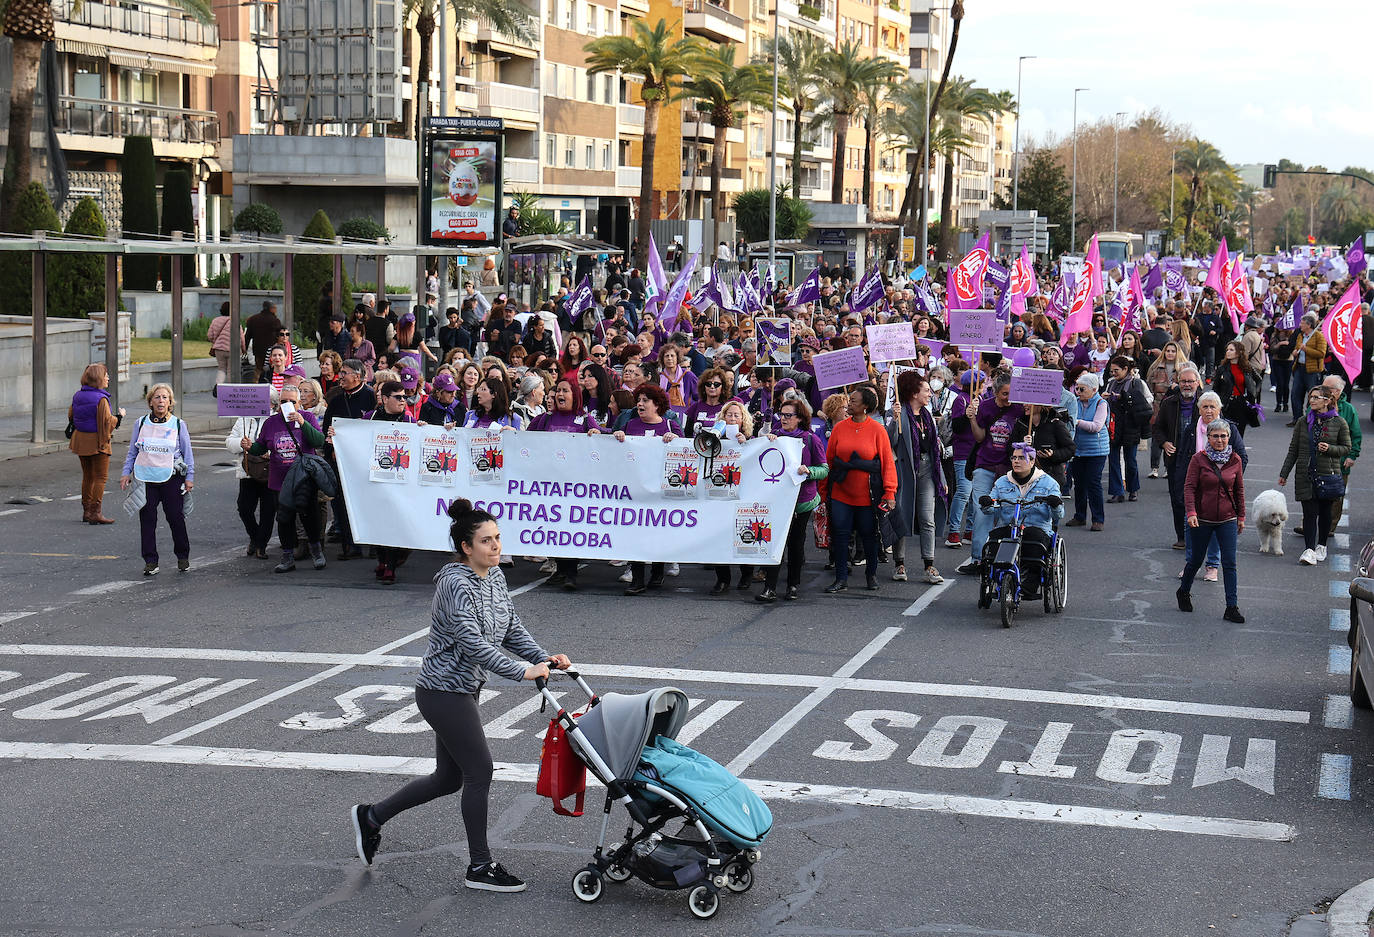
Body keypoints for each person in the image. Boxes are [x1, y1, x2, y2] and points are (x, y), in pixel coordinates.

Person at [349, 498, 571, 893]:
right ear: (466, 548)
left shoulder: (496, 578)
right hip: (442, 690)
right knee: (479, 771)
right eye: (486, 541)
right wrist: (523, 671)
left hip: (466, 688)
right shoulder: (454, 584)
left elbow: (510, 628)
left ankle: (370, 817)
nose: (496, 546)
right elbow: (471, 643)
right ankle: (480, 866)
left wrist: (543, 658)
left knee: (448, 779)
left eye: (498, 538)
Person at [244, 384, 328, 573]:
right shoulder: (271, 423)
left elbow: (318, 441)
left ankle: (316, 551)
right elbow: (261, 447)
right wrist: (250, 446)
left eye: (292, 401)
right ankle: (287, 555)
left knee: (309, 516)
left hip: (303, 478)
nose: (287, 404)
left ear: (299, 403)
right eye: (284, 401)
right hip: (280, 479)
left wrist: (302, 422)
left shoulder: (307, 417)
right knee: (284, 519)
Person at [822, 386, 897, 593]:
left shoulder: (877, 430)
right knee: (840, 534)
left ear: (865, 406)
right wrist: (822, 491)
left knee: (868, 535)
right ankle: (841, 578)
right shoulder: (838, 428)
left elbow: (887, 463)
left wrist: (890, 491)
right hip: (840, 492)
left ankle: (871, 575)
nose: (849, 404)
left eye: (854, 401)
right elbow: (828, 460)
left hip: (867, 494)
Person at [757, 397, 827, 602]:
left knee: (796, 544)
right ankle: (769, 587)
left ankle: (792, 585)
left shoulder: (810, 439)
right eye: (782, 414)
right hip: (777, 500)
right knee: (774, 543)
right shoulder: (775, 436)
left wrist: (809, 471)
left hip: (801, 501)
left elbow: (824, 469)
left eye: (789, 415)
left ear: (800, 418)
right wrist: (765, 440)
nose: (784, 418)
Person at [120, 383, 194, 576]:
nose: (161, 401)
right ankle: (150, 561)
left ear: (170, 403)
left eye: (165, 398)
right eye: (157, 397)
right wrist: (126, 473)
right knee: (147, 520)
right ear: (150, 402)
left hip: (171, 477)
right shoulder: (141, 423)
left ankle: (182, 556)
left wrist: (190, 477)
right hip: (146, 478)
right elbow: (133, 451)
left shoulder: (178, 424)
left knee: (175, 517)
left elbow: (188, 454)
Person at [1177, 419, 1246, 623]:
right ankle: (1183, 591)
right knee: (1196, 560)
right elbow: (1189, 487)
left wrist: (1241, 516)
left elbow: (1239, 490)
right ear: (1208, 438)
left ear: (1229, 437)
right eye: (1215, 436)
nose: (1220, 440)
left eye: (1223, 436)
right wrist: (1191, 513)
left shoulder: (1235, 460)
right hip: (1202, 519)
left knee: (1230, 563)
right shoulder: (1199, 459)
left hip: (1227, 519)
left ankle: (1231, 607)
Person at [955, 372, 1025, 574]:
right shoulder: (985, 407)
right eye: (1004, 394)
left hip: (1009, 468)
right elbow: (979, 438)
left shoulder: (1019, 408)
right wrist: (972, 420)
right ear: (995, 392)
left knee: (1006, 513)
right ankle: (978, 559)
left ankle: (1003, 558)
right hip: (984, 466)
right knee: (981, 510)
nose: (1007, 398)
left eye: (1011, 393)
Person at [613, 384, 679, 595]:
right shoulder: (630, 425)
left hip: (661, 491)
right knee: (636, 532)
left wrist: (676, 441)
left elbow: (686, 450)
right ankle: (638, 578)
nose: (640, 404)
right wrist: (618, 437)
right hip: (636, 489)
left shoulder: (670, 426)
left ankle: (658, 571)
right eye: (638, 400)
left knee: (659, 532)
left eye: (645, 401)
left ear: (657, 404)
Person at [1279, 386, 1351, 567]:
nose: (1312, 401)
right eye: (1311, 397)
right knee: (1309, 513)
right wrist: (1284, 473)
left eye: (1316, 398)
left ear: (1327, 400)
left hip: (1328, 474)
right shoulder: (1303, 422)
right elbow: (1293, 449)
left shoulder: (1339, 422)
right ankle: (1309, 550)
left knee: (1325, 512)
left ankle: (1321, 546)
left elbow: (1346, 447)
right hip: (1306, 474)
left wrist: (1331, 449)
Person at [886, 371, 947, 585]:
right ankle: (899, 563)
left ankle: (929, 565)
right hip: (905, 471)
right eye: (926, 390)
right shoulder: (898, 413)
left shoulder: (928, 416)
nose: (930, 394)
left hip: (927, 469)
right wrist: (893, 422)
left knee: (927, 518)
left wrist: (942, 478)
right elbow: (889, 443)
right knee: (902, 513)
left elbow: (934, 449)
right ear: (914, 393)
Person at [981, 443, 1064, 599]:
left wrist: (1055, 504)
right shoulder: (1002, 482)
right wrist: (987, 504)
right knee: (994, 540)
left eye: (1021, 458)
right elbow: (993, 508)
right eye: (1014, 458)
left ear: (1032, 461)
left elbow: (1059, 516)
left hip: (1036, 528)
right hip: (1009, 526)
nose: (1016, 461)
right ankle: (997, 578)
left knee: (1035, 540)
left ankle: (1030, 584)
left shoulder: (1049, 483)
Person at [321, 359, 377, 561]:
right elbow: (326, 429)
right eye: (341, 372)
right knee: (342, 503)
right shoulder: (336, 400)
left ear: (359, 376)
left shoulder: (372, 398)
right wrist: (331, 447)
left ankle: (374, 544)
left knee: (369, 503)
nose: (341, 376)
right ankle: (350, 545)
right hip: (340, 462)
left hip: (366, 462)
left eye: (345, 373)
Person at [69, 363, 124, 524]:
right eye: (105, 375)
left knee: (87, 477)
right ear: (98, 378)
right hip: (98, 441)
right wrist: (119, 416)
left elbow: (71, 415)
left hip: (81, 440)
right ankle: (96, 513)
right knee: (100, 477)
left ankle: (86, 511)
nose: (108, 378)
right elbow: (107, 422)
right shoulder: (101, 399)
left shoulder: (78, 395)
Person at [1154, 366, 1202, 549]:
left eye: (1191, 381)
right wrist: (1164, 443)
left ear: (1197, 383)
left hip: (1200, 459)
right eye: (1183, 381)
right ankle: (1181, 536)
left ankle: (1198, 536)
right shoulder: (1169, 403)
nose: (1187, 384)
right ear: (1178, 383)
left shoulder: (1206, 403)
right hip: (1176, 459)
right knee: (1178, 498)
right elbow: (1157, 428)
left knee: (1200, 498)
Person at [225, 401, 272, 560]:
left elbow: (281, 442)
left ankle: (261, 545)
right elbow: (230, 443)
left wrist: (269, 452)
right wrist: (241, 443)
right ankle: (255, 536)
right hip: (248, 471)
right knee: (244, 508)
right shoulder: (243, 419)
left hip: (269, 472)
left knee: (268, 511)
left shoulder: (274, 419)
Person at [1103, 355, 1152, 503]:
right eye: (1112, 371)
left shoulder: (1136, 383)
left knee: (1130, 460)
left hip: (1131, 425)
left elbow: (1145, 401)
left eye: (1116, 370)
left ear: (1126, 369)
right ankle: (1117, 491)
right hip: (1114, 425)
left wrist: (1122, 397)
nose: (1113, 374)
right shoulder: (1110, 383)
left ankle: (1133, 489)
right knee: (1113, 460)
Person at [1065, 372, 1109, 531]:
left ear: (1094, 389)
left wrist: (1075, 421)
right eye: (1077, 388)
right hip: (1078, 449)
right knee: (1079, 484)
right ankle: (1080, 516)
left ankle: (1098, 519)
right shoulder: (1074, 402)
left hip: (1096, 450)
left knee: (1093, 483)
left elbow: (1096, 426)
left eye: (1082, 389)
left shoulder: (1101, 404)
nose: (1078, 392)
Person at [1211, 340, 1257, 437]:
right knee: (1225, 432)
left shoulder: (1246, 368)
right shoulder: (1222, 368)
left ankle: (1237, 452)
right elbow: (1215, 388)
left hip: (1241, 403)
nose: (1228, 352)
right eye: (1227, 350)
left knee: (1239, 434)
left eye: (1231, 350)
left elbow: (1258, 380)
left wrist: (1253, 393)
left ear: (1239, 352)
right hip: (1226, 403)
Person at [1288, 313, 1327, 423]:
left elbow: (1321, 353)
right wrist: (1295, 352)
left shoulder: (1319, 336)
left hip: (1312, 371)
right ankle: (1297, 418)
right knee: (1295, 394)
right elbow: (1296, 348)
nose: (1300, 325)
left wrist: (1306, 350)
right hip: (1300, 368)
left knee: (1313, 396)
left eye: (1302, 323)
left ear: (1309, 325)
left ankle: (1312, 418)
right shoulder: (1300, 335)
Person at [207, 302, 243, 387]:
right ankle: (230, 389)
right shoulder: (235, 321)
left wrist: (216, 342)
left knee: (221, 368)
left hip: (219, 349)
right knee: (231, 370)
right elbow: (241, 337)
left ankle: (218, 387)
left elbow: (209, 335)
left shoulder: (215, 320)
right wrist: (243, 348)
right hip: (232, 350)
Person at [245, 300, 283, 381]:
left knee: (258, 369)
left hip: (258, 350)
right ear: (271, 309)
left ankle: (257, 385)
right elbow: (279, 335)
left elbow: (248, 336)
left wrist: (244, 348)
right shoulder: (275, 320)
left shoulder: (253, 319)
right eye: (275, 308)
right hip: (273, 350)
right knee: (273, 368)